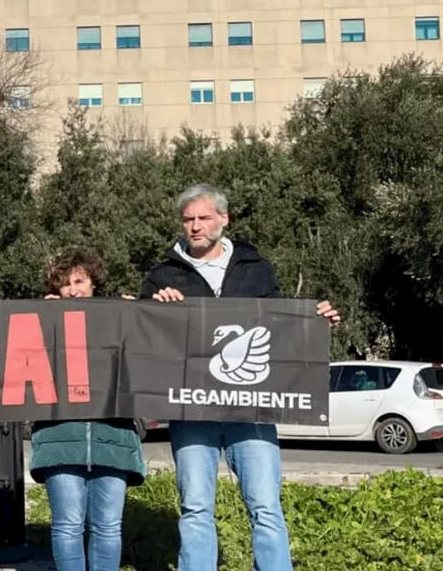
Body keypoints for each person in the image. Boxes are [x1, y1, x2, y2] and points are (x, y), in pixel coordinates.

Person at [140, 183, 341, 571]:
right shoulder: (161, 275)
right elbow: (145, 337)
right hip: (191, 412)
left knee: (265, 506)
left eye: (203, 218)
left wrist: (317, 321)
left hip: (251, 411)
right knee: (196, 508)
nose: (195, 226)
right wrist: (154, 306)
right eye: (188, 220)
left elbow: (283, 325)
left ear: (223, 219)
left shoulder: (256, 268)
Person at [31, 247, 146, 571]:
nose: (73, 290)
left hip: (113, 438)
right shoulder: (42, 320)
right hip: (60, 439)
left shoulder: (118, 317)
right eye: (64, 284)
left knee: (108, 528)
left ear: (94, 282)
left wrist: (135, 314)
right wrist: (40, 318)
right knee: (67, 526)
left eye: (79, 281)